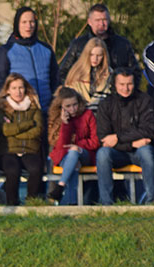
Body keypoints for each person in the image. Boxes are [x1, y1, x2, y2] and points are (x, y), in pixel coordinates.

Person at [95, 68, 154, 205]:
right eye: (121, 84)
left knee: (146, 152)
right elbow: (104, 139)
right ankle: (106, 204)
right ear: (114, 84)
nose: (126, 88)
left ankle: (151, 201)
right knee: (103, 154)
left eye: (129, 84)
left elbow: (149, 130)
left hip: (140, 152)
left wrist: (118, 137)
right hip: (118, 152)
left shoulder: (145, 100)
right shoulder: (106, 104)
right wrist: (131, 144)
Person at [0, 73, 43, 205]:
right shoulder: (1, 109)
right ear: (7, 90)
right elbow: (5, 130)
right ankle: (12, 204)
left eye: (21, 88)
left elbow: (38, 131)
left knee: (36, 168)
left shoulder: (34, 108)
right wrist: (28, 124)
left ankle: (31, 202)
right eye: (14, 88)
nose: (18, 92)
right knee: (12, 170)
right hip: (8, 151)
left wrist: (15, 132)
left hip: (30, 150)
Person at [0, 7, 58, 112]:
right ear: (17, 24)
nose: (28, 26)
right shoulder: (5, 51)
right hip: (22, 114)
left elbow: (55, 79)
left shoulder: (46, 49)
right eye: (24, 22)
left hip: (48, 111)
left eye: (32, 22)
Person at [58, 3, 140, 85]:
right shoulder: (78, 44)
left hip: (115, 94)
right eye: (97, 20)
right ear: (89, 22)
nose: (101, 24)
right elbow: (63, 73)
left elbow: (135, 71)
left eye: (104, 20)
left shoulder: (123, 44)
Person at [46, 87, 100, 203]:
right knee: (74, 161)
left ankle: (60, 187)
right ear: (61, 107)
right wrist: (65, 124)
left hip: (85, 153)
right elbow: (61, 146)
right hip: (65, 155)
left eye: (75, 104)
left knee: (74, 152)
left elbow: (95, 142)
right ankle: (71, 203)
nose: (73, 109)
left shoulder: (88, 114)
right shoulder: (56, 118)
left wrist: (78, 146)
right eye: (68, 106)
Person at [64, 38, 112, 112]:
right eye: (92, 55)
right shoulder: (76, 73)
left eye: (99, 55)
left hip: (101, 116)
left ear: (104, 56)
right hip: (79, 116)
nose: (95, 59)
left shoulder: (109, 74)